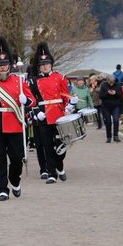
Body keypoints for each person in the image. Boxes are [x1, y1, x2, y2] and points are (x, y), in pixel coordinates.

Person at [0, 36, 36, 201]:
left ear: (10, 66)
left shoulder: (20, 81)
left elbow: (33, 101)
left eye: (5, 65)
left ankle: (15, 180)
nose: (2, 68)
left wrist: (26, 100)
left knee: (17, 159)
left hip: (16, 125)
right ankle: (2, 189)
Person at [28, 42, 70, 184]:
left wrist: (70, 104)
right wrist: (36, 111)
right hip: (43, 115)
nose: (45, 66)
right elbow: (32, 100)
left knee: (61, 144)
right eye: (42, 64)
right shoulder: (34, 81)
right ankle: (52, 173)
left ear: (51, 64)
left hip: (58, 114)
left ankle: (59, 165)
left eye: (47, 64)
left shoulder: (60, 77)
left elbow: (65, 96)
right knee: (47, 146)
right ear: (39, 66)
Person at [99, 74, 123, 143]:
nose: (112, 83)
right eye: (110, 82)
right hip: (106, 106)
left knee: (116, 120)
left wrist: (115, 93)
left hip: (115, 106)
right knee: (108, 122)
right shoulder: (104, 85)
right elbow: (101, 96)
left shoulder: (118, 85)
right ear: (107, 81)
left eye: (113, 82)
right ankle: (108, 137)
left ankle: (116, 136)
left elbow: (121, 96)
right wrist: (107, 93)